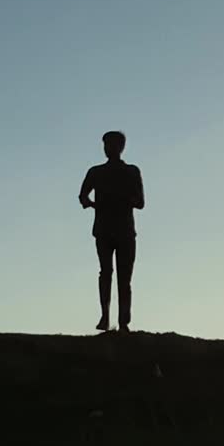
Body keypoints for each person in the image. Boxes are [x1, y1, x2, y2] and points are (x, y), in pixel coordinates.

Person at [78, 131, 145, 332]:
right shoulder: (95, 172)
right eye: (106, 145)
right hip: (104, 230)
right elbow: (82, 196)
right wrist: (92, 204)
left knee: (124, 278)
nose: (108, 149)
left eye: (112, 145)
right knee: (106, 273)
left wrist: (120, 200)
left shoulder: (132, 171)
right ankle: (105, 317)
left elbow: (140, 202)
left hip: (124, 231)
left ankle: (123, 321)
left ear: (121, 147)